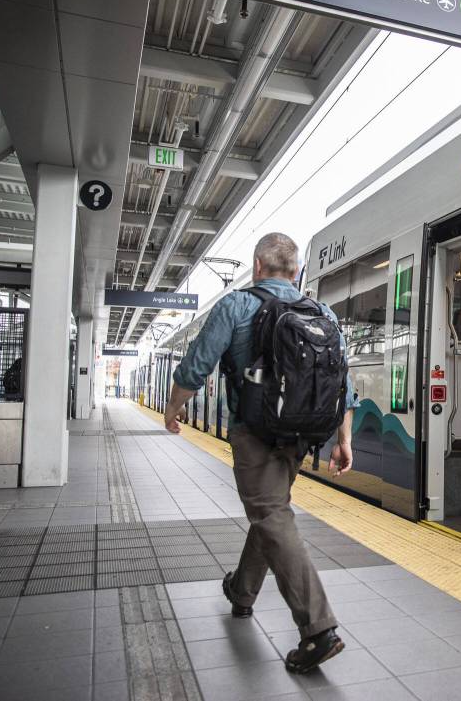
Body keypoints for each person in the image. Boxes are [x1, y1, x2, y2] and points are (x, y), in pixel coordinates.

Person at [163, 232, 357, 675]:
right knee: (271, 508)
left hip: (256, 432)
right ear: (295, 272)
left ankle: (318, 629)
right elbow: (342, 385)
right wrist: (344, 440)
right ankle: (242, 591)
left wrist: (173, 411)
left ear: (257, 267)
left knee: (270, 514)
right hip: (303, 435)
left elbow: (197, 366)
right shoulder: (321, 312)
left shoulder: (235, 305)